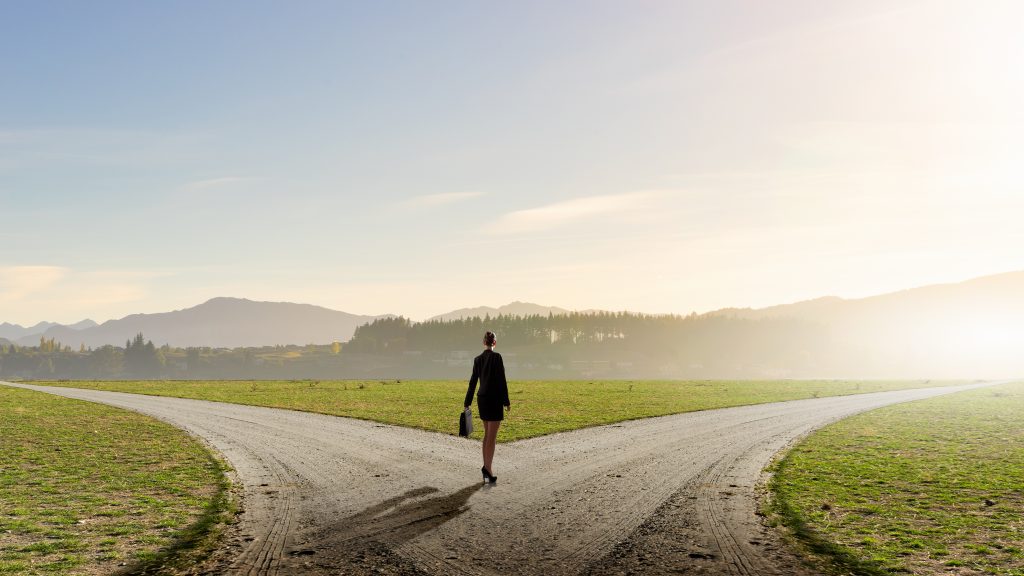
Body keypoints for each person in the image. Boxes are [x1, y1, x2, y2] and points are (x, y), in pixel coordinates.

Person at [464, 331, 510, 483]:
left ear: (484, 343)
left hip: (481, 398)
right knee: (492, 437)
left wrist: (467, 402)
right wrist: (506, 401)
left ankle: (486, 467)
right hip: (494, 399)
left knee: (487, 435)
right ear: (494, 343)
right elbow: (502, 380)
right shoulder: (497, 357)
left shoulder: (478, 360)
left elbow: (472, 382)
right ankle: (488, 469)